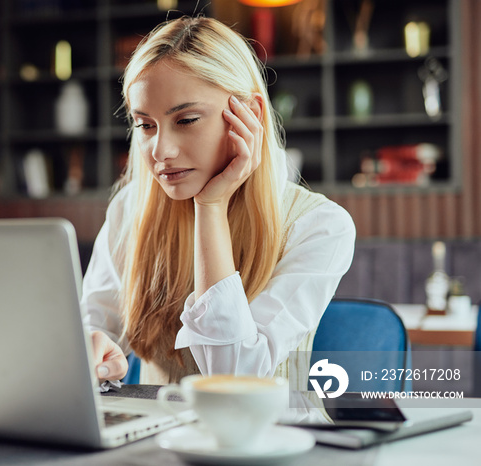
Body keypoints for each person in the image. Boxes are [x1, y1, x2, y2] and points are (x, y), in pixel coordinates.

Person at [82, 16, 356, 385]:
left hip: (273, 437)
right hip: (155, 436)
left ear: (250, 115)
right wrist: (93, 348)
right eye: (146, 125)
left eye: (187, 119)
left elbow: (233, 377)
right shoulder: (130, 209)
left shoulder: (319, 226)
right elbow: (94, 325)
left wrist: (210, 209)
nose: (161, 151)